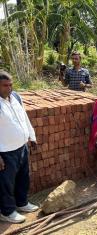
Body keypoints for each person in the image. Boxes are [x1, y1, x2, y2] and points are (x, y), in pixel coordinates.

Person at [0, 71, 39, 224]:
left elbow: (24, 117)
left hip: (22, 147)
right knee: (6, 183)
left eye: (10, 85)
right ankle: (6, 211)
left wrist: (32, 136)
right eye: (5, 85)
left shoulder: (15, 97)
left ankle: (21, 203)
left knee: (23, 178)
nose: (9, 88)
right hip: (6, 152)